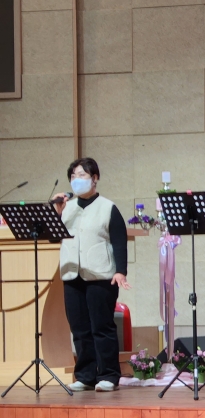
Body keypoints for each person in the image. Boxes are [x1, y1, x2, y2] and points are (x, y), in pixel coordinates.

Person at [52, 157, 131, 393]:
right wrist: (57, 213)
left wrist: (120, 271)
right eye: (73, 176)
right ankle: (86, 375)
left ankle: (108, 374)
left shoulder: (107, 207)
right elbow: (53, 237)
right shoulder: (66, 209)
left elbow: (119, 241)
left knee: (102, 326)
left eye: (82, 175)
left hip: (100, 275)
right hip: (71, 274)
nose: (77, 180)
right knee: (79, 328)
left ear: (95, 178)